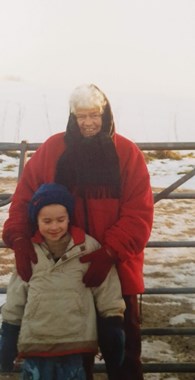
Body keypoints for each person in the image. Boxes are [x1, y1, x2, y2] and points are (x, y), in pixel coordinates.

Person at [3, 84, 154, 380]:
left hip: (117, 269)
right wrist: (19, 239)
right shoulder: (52, 150)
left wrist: (109, 251)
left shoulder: (127, 153)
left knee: (124, 354)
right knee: (74, 355)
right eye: (81, 116)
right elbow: (24, 200)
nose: (88, 123)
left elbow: (139, 214)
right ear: (72, 117)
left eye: (94, 115)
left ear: (106, 114)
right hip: (64, 273)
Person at [0, 183, 126, 380]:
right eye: (47, 221)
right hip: (37, 342)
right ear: (36, 220)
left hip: (75, 342)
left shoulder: (87, 247)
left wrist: (112, 321)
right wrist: (9, 332)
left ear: (69, 218)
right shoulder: (29, 252)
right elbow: (16, 296)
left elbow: (106, 287)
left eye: (60, 219)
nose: (54, 226)